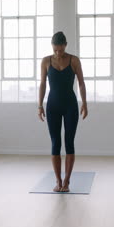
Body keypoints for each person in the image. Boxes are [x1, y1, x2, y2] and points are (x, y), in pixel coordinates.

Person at [38, 31, 88, 192]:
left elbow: (81, 83)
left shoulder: (74, 60)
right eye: (55, 50)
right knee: (55, 143)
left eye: (60, 49)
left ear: (65, 45)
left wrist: (84, 103)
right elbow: (43, 84)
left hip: (70, 106)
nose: (58, 53)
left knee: (69, 142)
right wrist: (39, 105)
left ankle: (67, 181)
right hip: (52, 106)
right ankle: (58, 181)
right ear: (52, 47)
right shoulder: (46, 61)